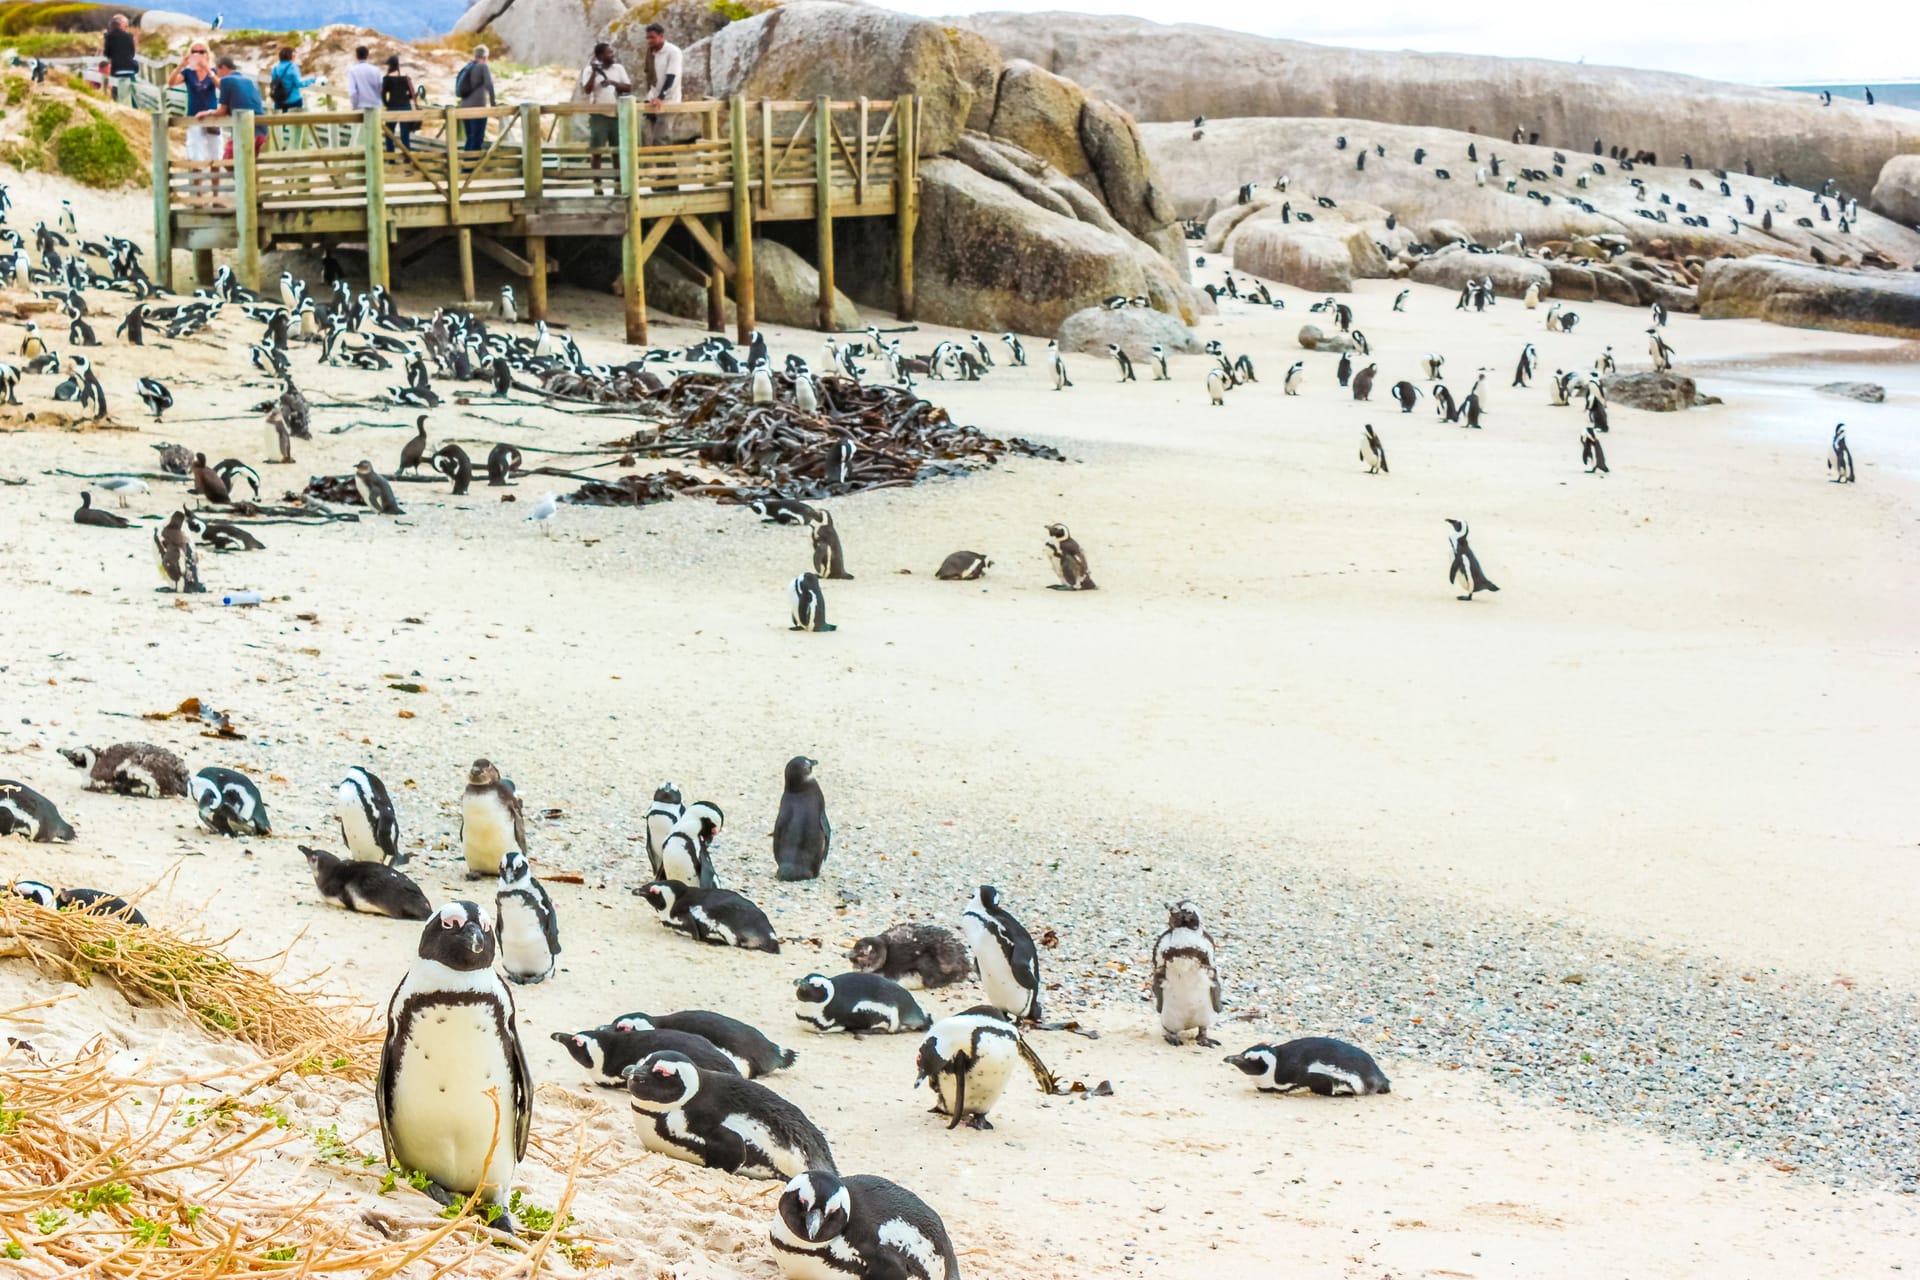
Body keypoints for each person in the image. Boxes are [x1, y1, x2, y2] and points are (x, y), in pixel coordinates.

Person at [168, 40, 222, 197]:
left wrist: (207, 69)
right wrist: (181, 65)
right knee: (195, 156)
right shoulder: (188, 73)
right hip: (194, 117)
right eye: (194, 51)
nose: (197, 55)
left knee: (216, 156)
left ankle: (216, 195)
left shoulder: (213, 71)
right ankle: (198, 196)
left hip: (212, 117)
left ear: (207, 54)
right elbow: (171, 83)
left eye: (201, 51)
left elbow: (220, 86)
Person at [577, 41, 629, 189]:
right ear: (600, 56)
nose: (611, 55)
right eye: (608, 53)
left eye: (612, 52)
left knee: (617, 149)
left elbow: (628, 86)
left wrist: (613, 83)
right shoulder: (588, 70)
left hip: (617, 113)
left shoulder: (618, 68)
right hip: (598, 114)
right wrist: (594, 72)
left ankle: (619, 180)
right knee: (597, 149)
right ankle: (597, 181)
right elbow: (587, 90)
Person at [201, 54, 268, 159]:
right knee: (249, 164)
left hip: (245, 130)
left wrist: (207, 112)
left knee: (229, 160)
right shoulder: (249, 81)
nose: (217, 75)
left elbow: (221, 111)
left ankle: (238, 176)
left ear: (222, 68)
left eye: (217, 71)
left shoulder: (226, 81)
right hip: (262, 131)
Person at [640, 22, 682, 147]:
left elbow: (671, 76)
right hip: (652, 97)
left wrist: (661, 97)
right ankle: (647, 166)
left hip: (668, 99)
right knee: (645, 135)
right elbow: (650, 75)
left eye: (652, 37)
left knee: (661, 138)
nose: (649, 41)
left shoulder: (673, 51)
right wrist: (650, 97)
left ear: (661, 36)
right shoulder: (651, 52)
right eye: (647, 38)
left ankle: (666, 166)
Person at [454, 45, 495, 155]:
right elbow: (489, 85)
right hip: (478, 109)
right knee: (477, 139)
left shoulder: (468, 66)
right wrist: (493, 104)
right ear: (485, 56)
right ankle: (471, 168)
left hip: (465, 108)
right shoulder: (483, 67)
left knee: (470, 138)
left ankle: (465, 166)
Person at [381, 55, 416, 151]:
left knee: (389, 134)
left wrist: (387, 105)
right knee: (405, 135)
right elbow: (411, 95)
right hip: (405, 107)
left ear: (389, 66)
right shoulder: (405, 79)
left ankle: (391, 159)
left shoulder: (386, 79)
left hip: (393, 107)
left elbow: (383, 94)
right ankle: (407, 159)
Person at [102, 14, 137, 104]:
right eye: (126, 25)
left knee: (117, 92)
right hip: (129, 69)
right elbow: (132, 53)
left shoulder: (109, 37)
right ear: (121, 25)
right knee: (131, 93)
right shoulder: (129, 36)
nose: (127, 27)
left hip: (116, 69)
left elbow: (107, 54)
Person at [269, 46, 315, 112]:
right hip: (293, 100)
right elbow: (299, 84)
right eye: (294, 56)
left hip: (279, 100)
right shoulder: (293, 67)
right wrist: (312, 80)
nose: (295, 58)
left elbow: (273, 83)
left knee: (281, 121)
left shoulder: (275, 68)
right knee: (295, 121)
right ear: (290, 56)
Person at [347, 44, 382, 111]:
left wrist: (355, 106)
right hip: (375, 107)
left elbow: (352, 92)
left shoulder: (352, 71)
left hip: (360, 107)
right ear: (367, 55)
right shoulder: (376, 70)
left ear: (356, 56)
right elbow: (381, 87)